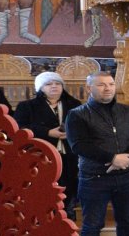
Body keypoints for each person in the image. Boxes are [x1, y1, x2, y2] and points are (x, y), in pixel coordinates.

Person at [65, 71, 129, 236]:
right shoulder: (77, 114)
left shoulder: (128, 111)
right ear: (89, 88)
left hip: (126, 176)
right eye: (101, 85)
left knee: (127, 221)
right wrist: (112, 158)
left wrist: (124, 158)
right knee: (92, 224)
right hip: (94, 178)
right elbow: (79, 146)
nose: (108, 88)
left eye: (111, 84)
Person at [14, 71, 81, 220]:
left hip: (69, 153)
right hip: (40, 154)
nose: (54, 86)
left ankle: (66, 214)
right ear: (40, 88)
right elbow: (19, 127)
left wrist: (70, 132)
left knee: (68, 183)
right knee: (43, 186)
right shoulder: (27, 106)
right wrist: (48, 132)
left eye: (57, 83)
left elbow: (84, 125)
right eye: (48, 84)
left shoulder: (75, 105)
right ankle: (43, 216)